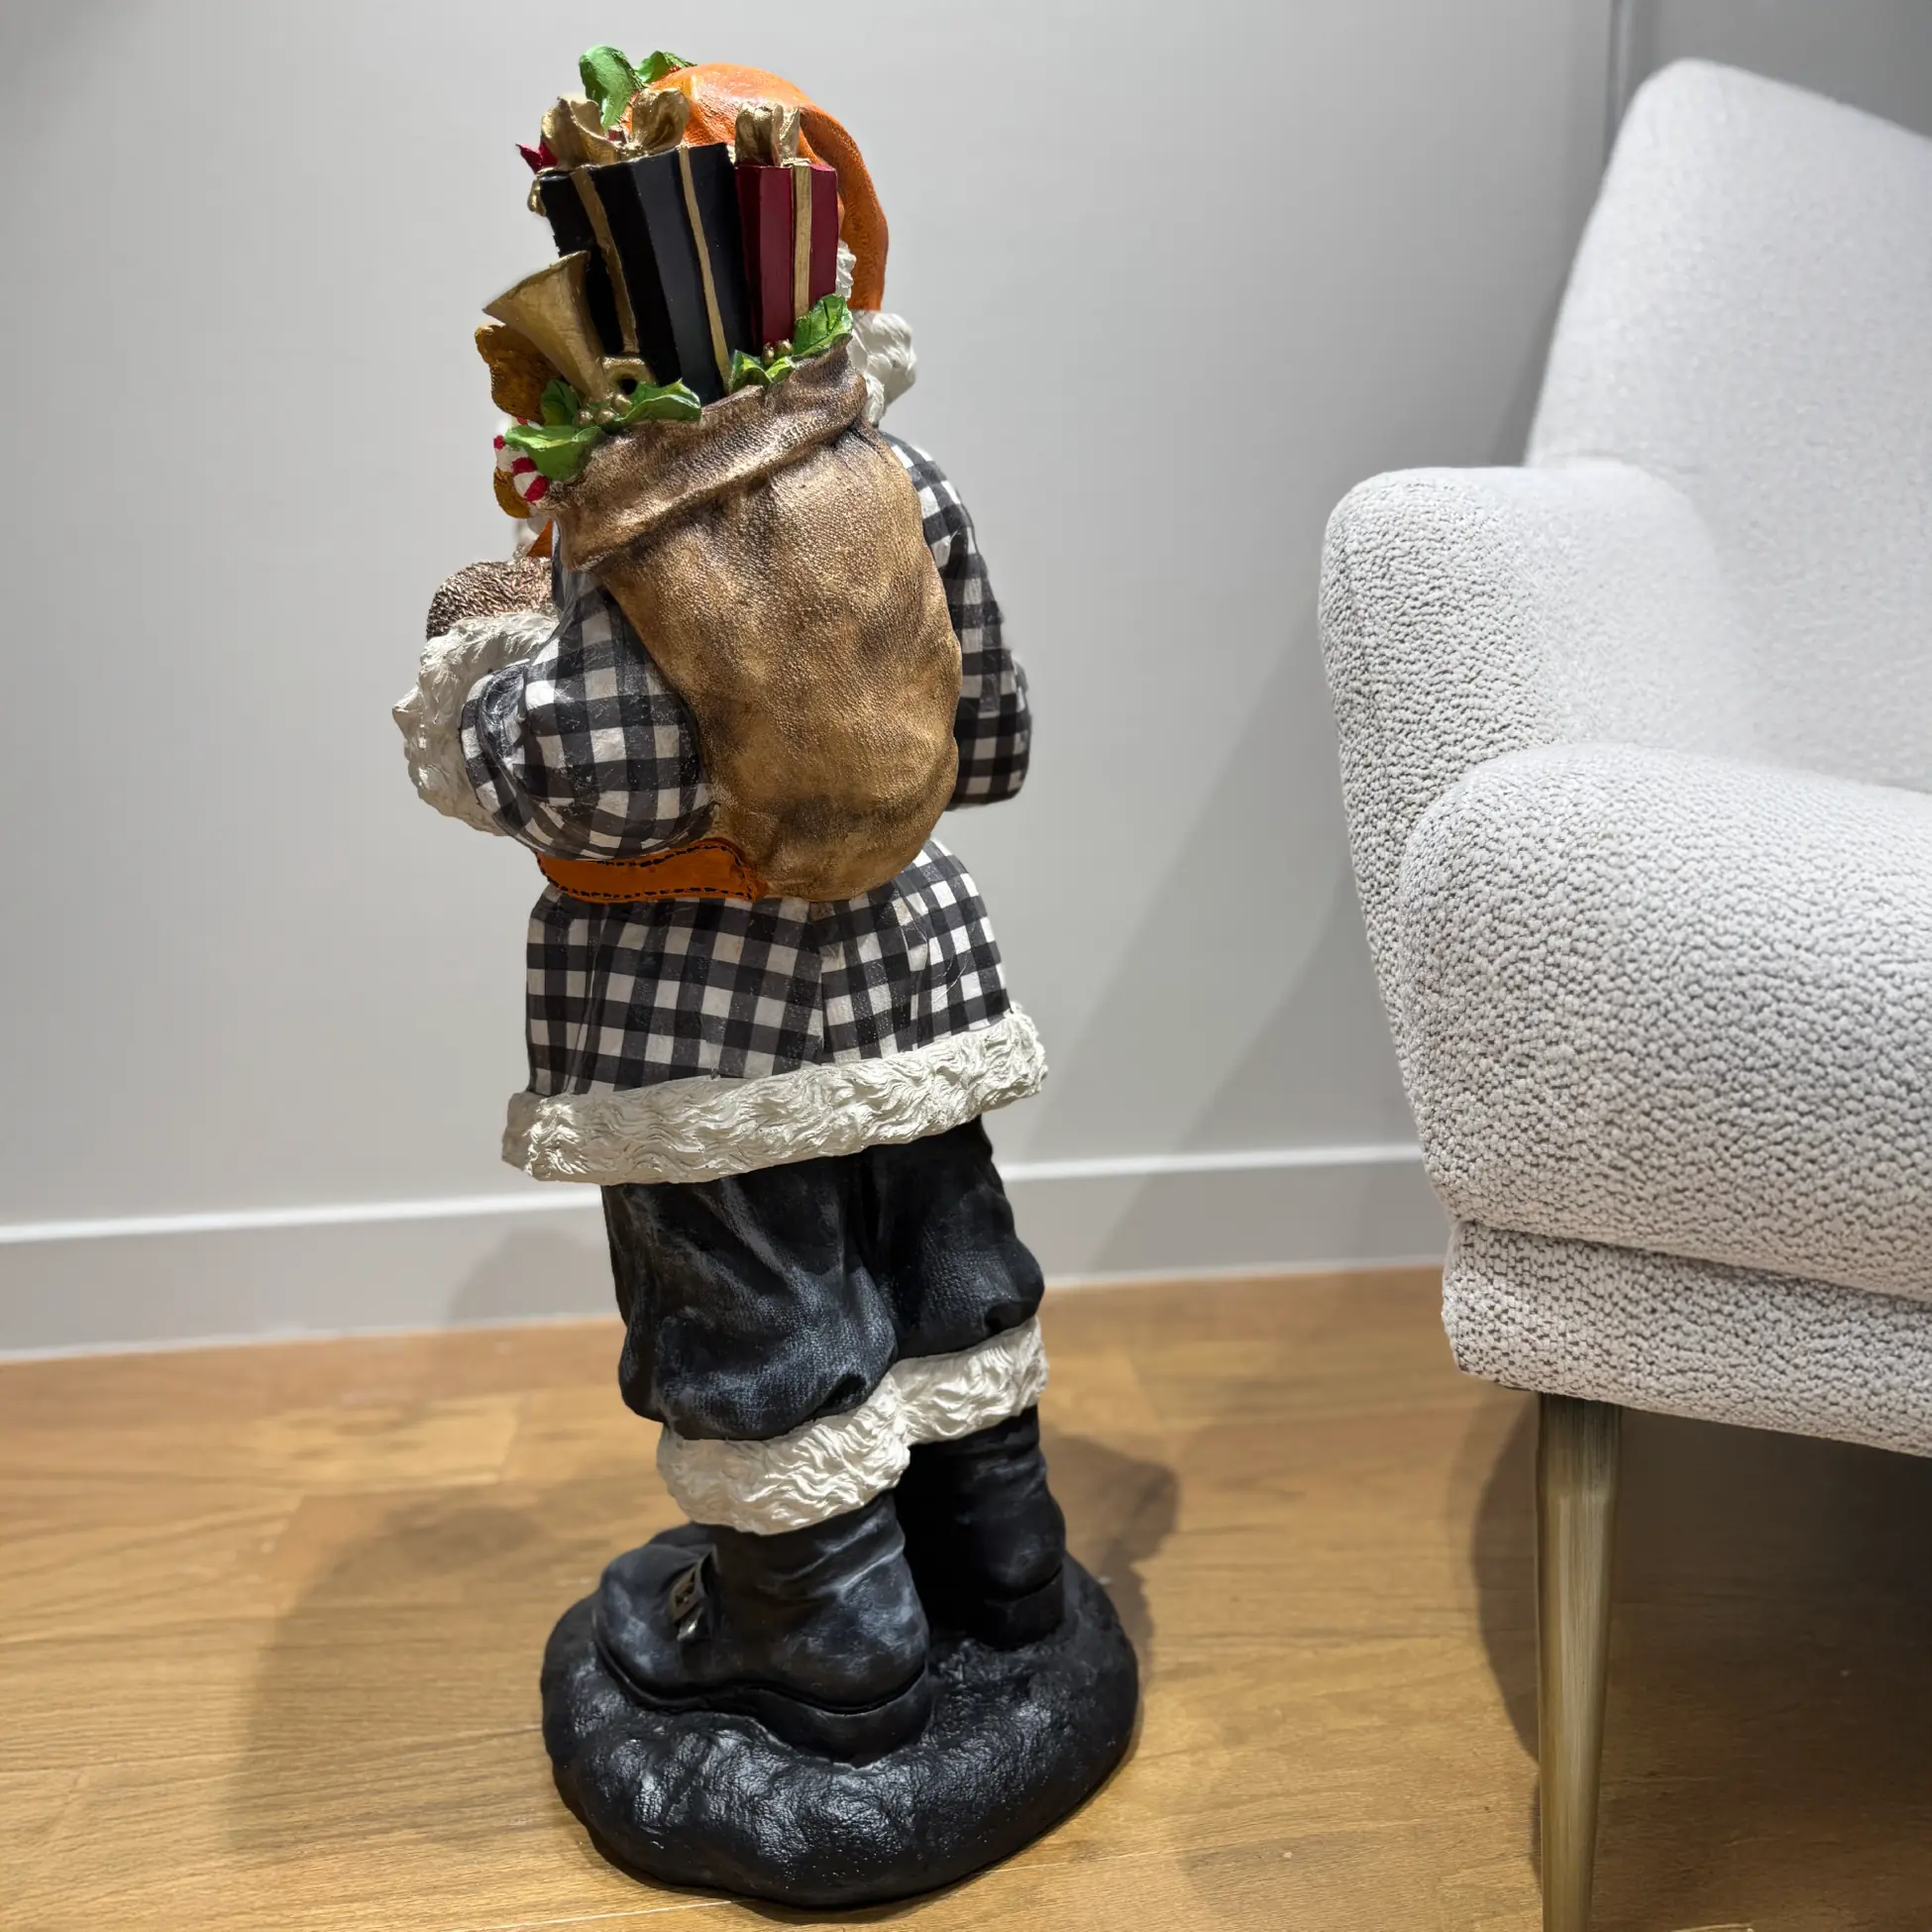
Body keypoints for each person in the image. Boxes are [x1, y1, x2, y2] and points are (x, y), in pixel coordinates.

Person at [399, 192, 1061, 1762]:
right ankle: (1000, 1557)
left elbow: (596, 786)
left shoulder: (627, 521)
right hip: (911, 968)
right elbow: (992, 741)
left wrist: (478, 659)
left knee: (747, 1298)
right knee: (940, 1246)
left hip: (691, 1018)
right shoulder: (900, 473)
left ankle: (820, 1631)